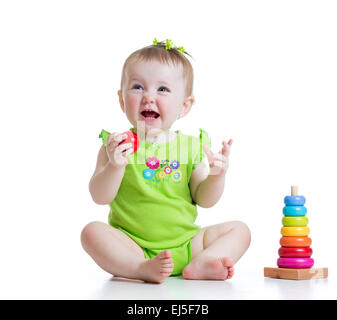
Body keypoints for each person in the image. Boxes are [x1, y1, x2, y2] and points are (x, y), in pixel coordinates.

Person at [81, 39, 251, 283]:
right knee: (91, 233)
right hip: (132, 246)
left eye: (162, 90)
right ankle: (140, 268)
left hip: (187, 245)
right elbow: (99, 196)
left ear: (184, 106)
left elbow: (204, 199)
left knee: (241, 230)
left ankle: (202, 264)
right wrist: (114, 165)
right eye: (138, 87)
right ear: (121, 100)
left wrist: (216, 176)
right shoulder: (116, 145)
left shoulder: (190, 146)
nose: (149, 97)